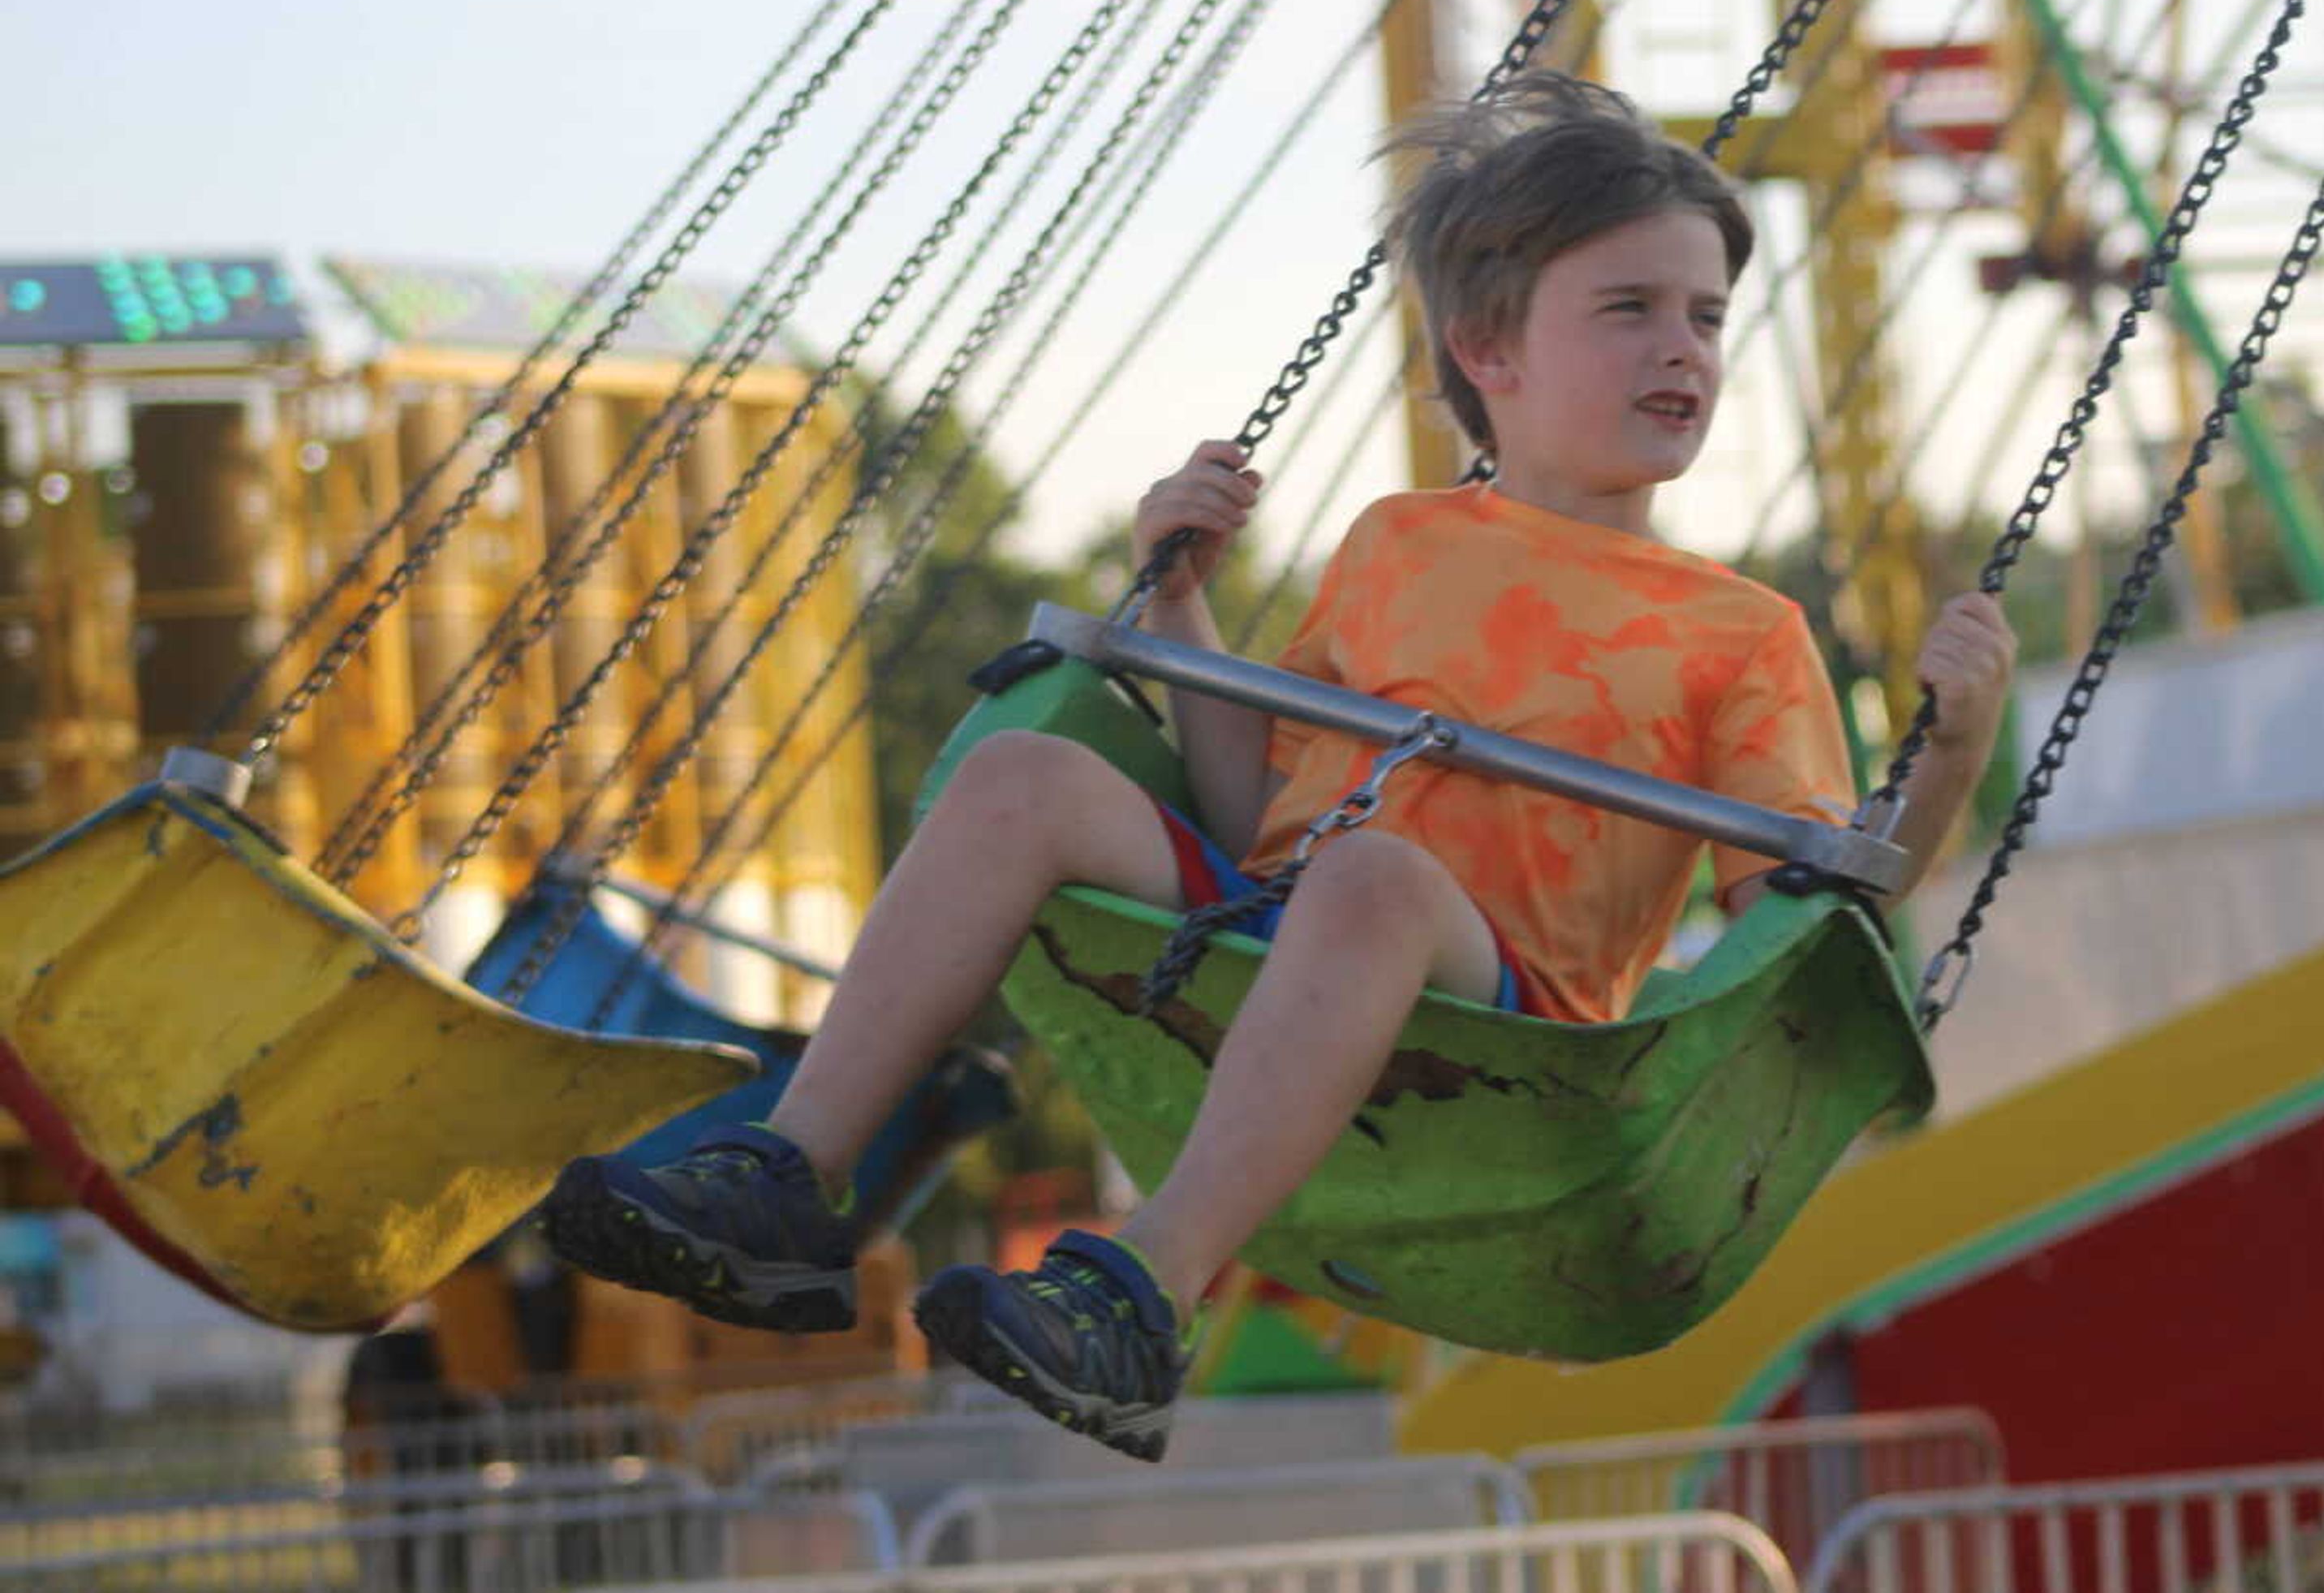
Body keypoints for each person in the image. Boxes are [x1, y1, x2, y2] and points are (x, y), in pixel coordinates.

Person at [539, 72, 2017, 1460]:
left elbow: (1820, 915)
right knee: (1022, 776)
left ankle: (1145, 1294)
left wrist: (1946, 749)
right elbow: (1263, 823)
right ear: (1488, 353)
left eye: (1704, 313)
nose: (1682, 345)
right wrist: (1180, 604)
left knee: (1374, 874)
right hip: (1293, 924)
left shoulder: (1740, 632)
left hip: (1522, 1034)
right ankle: (794, 1173)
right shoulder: (1396, 544)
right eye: (1628, 307)